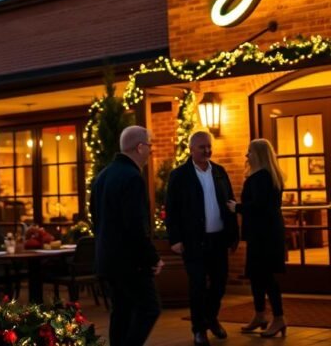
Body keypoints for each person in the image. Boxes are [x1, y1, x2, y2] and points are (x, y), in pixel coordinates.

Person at [90, 126, 164, 345]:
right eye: (149, 146)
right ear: (140, 147)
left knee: (121, 310)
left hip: (107, 259)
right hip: (130, 262)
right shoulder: (132, 177)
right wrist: (152, 257)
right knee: (149, 308)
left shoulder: (102, 176)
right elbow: (135, 225)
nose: (151, 151)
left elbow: (96, 219)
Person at [165, 131, 238, 345]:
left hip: (218, 240)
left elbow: (230, 203)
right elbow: (171, 209)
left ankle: (211, 318)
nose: (207, 151)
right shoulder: (179, 175)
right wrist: (175, 239)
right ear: (191, 149)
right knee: (197, 285)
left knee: (219, 284)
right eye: (202, 147)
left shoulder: (220, 172)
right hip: (193, 241)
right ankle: (199, 329)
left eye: (209, 147)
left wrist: (233, 236)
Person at [227, 139, 287, 338]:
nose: (247, 155)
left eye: (250, 151)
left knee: (266, 276)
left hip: (264, 235)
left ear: (259, 154)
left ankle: (278, 318)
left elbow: (259, 206)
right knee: (257, 275)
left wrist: (236, 207)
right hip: (266, 233)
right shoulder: (270, 175)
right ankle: (260, 315)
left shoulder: (261, 177)